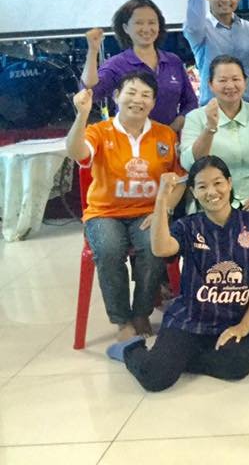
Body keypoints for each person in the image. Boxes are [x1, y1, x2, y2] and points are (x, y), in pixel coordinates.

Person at [110, 158, 249, 391]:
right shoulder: (188, 226)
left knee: (238, 365)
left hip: (234, 318)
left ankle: (179, 359)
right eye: (202, 186)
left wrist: (244, 326)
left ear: (229, 183)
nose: (212, 192)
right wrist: (162, 199)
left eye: (218, 183)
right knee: (155, 378)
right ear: (193, 192)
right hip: (190, 318)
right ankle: (131, 348)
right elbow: (161, 248)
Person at [65, 71, 186, 340]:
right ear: (117, 96)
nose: (137, 100)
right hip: (104, 212)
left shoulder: (165, 135)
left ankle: (141, 312)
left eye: (146, 95)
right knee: (109, 250)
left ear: (153, 102)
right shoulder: (99, 131)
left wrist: (163, 211)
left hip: (148, 212)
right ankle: (122, 319)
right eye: (131, 93)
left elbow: (180, 180)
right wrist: (82, 116)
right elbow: (76, 152)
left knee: (155, 246)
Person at [180, 55, 249, 233]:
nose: (230, 86)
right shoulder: (195, 118)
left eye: (236, 79)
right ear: (210, 84)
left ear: (246, 82)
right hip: (213, 199)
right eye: (222, 80)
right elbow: (190, 162)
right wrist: (210, 128)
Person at [82, 0, 197, 132]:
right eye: (139, 23)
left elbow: (191, 102)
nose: (146, 29)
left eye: (152, 22)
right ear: (125, 28)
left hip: (169, 140)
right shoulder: (117, 64)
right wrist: (92, 51)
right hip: (128, 141)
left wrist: (173, 128)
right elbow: (90, 92)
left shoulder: (173, 61)